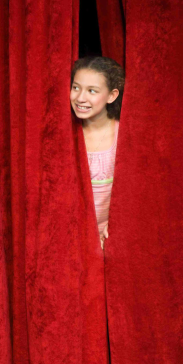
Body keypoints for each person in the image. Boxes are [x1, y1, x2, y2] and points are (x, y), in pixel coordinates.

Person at [70, 56, 125, 250]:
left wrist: (119, 226)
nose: (80, 98)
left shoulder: (124, 136)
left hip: (111, 239)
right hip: (72, 238)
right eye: (76, 87)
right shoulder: (63, 136)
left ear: (112, 95)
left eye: (91, 90)